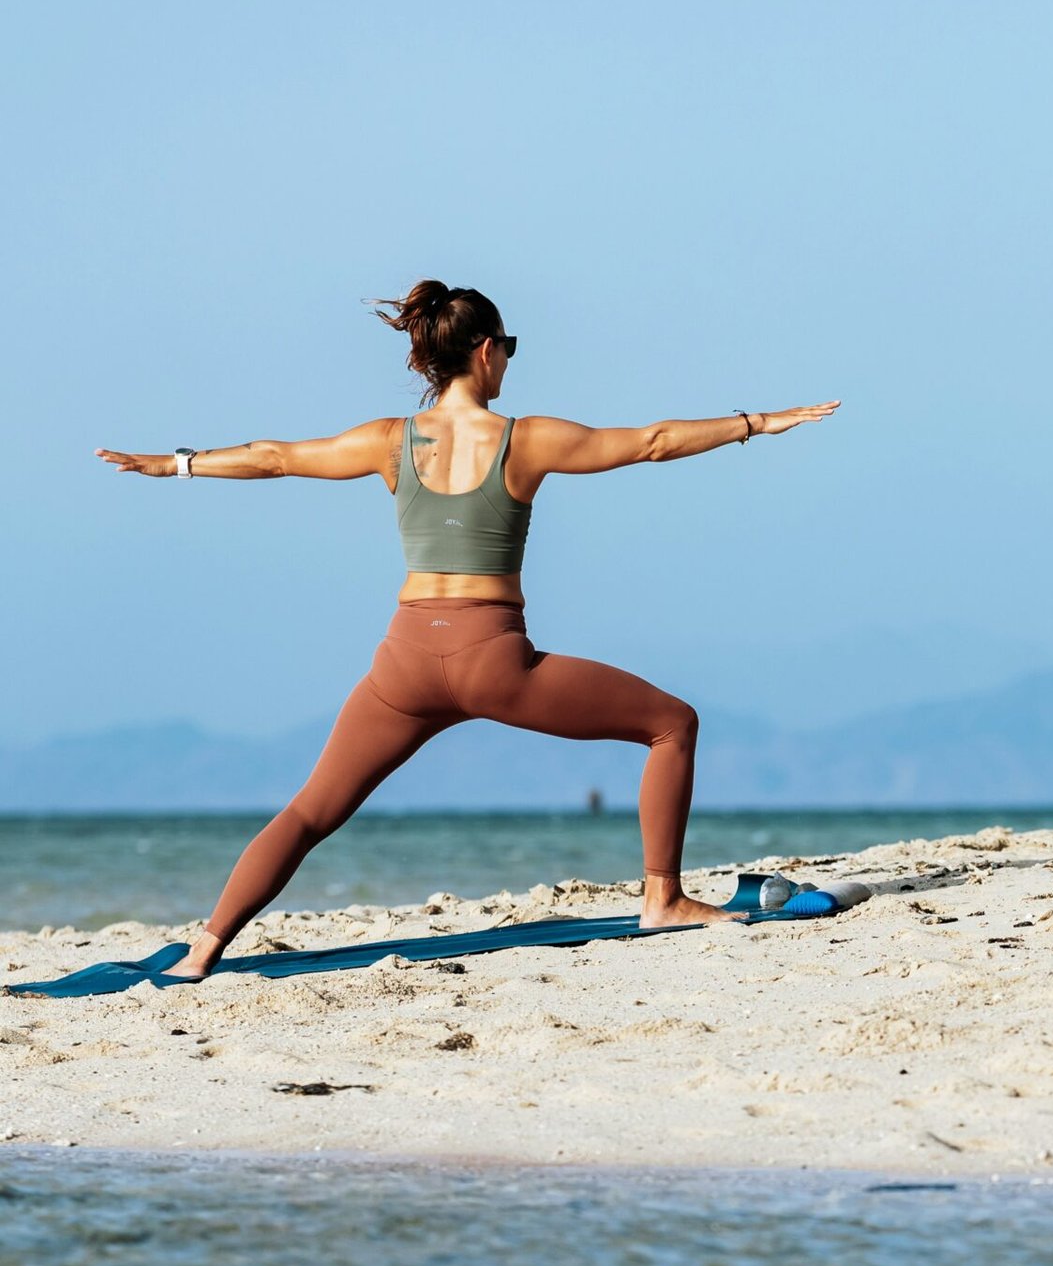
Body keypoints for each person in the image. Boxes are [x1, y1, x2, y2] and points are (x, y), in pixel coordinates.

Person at [97, 281, 839, 978]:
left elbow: (276, 458)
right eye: (509, 345)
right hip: (492, 660)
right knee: (672, 723)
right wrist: (756, 423)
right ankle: (662, 898)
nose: (509, 359)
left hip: (407, 663)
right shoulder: (526, 439)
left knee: (311, 810)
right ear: (486, 351)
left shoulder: (390, 440)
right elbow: (650, 441)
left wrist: (176, 465)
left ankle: (204, 947)